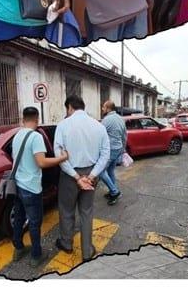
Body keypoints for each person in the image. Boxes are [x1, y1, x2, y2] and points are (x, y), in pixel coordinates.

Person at [53, 95, 110, 261]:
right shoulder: (98, 126)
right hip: (91, 173)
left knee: (66, 210)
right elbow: (105, 154)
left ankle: (67, 243)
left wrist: (76, 177)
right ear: (83, 107)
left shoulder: (63, 125)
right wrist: (91, 176)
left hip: (69, 174)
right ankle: (87, 251)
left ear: (69, 107)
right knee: (86, 211)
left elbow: (59, 155)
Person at [11, 107, 68, 266]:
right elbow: (41, 162)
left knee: (19, 219)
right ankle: (36, 256)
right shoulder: (36, 137)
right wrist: (62, 158)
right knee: (35, 223)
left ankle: (18, 249)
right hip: (31, 187)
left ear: (23, 119)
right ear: (37, 119)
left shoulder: (17, 135)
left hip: (18, 184)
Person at [99, 100, 127, 205]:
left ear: (108, 108)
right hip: (118, 148)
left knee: (100, 171)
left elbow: (99, 135)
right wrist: (123, 149)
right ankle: (112, 192)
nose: (102, 109)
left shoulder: (106, 120)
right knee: (110, 171)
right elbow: (125, 135)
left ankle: (115, 192)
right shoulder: (121, 119)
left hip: (110, 150)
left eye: (103, 107)